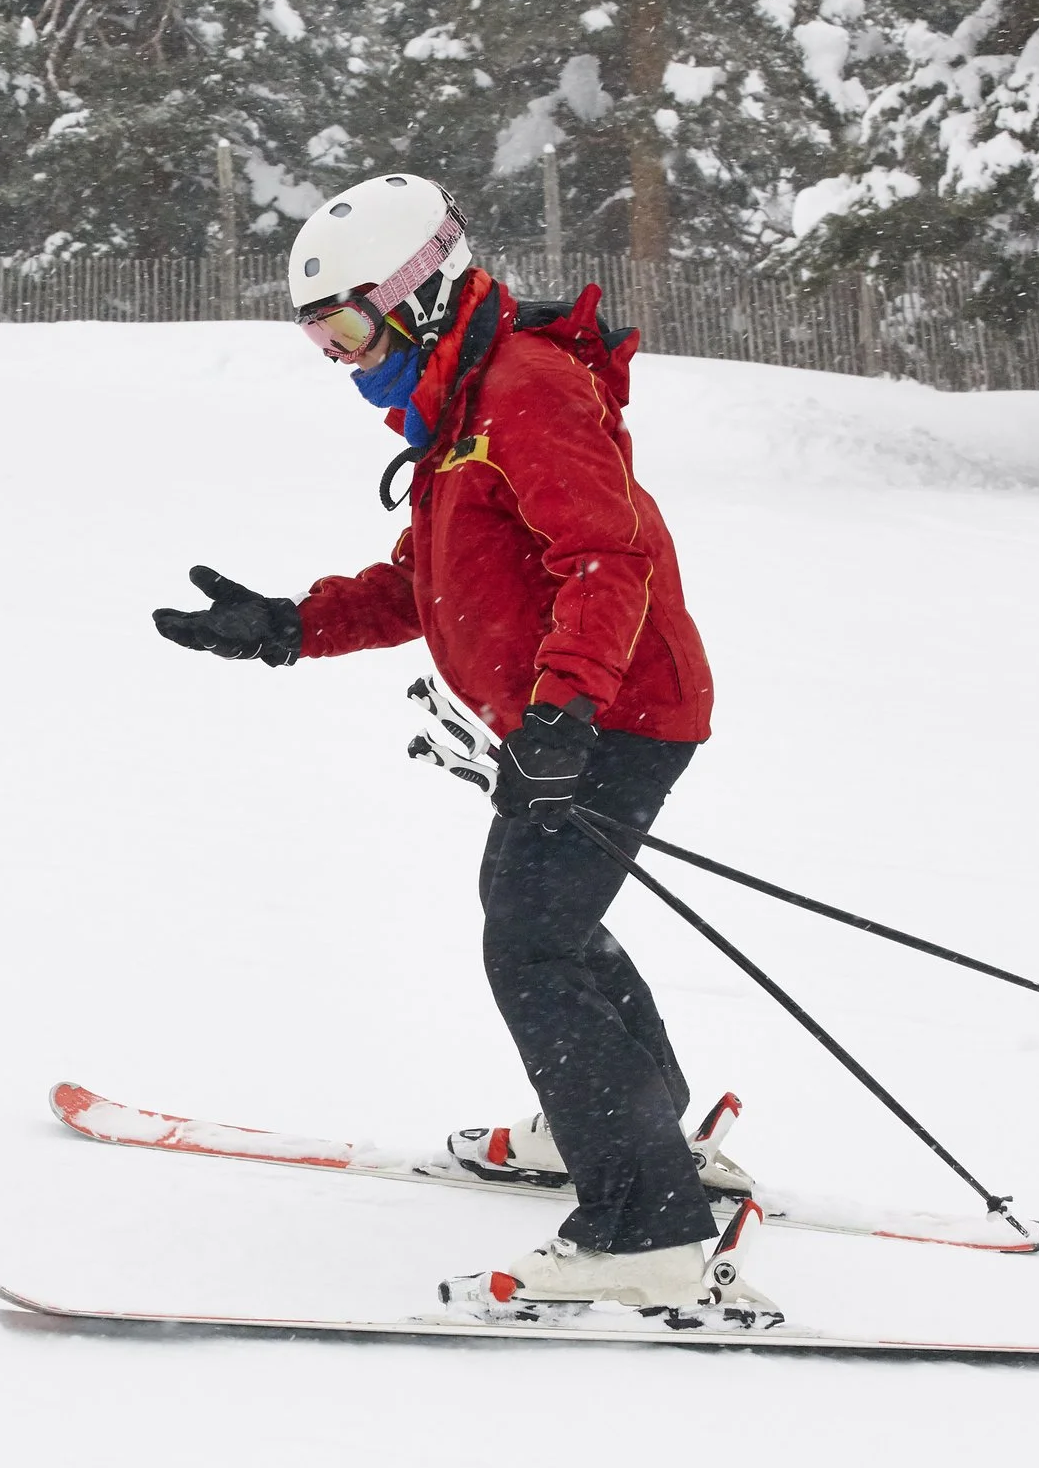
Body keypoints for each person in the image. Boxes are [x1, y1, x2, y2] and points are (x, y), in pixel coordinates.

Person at [150, 174, 767, 1315]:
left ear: (416, 292)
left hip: (614, 710)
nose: (341, 357)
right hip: (579, 711)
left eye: (346, 325)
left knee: (530, 938)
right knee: (550, 926)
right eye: (319, 338)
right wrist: (291, 625)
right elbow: (429, 584)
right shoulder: (464, 401)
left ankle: (645, 1224)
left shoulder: (522, 389)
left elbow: (606, 558)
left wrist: (564, 712)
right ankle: (642, 1128)